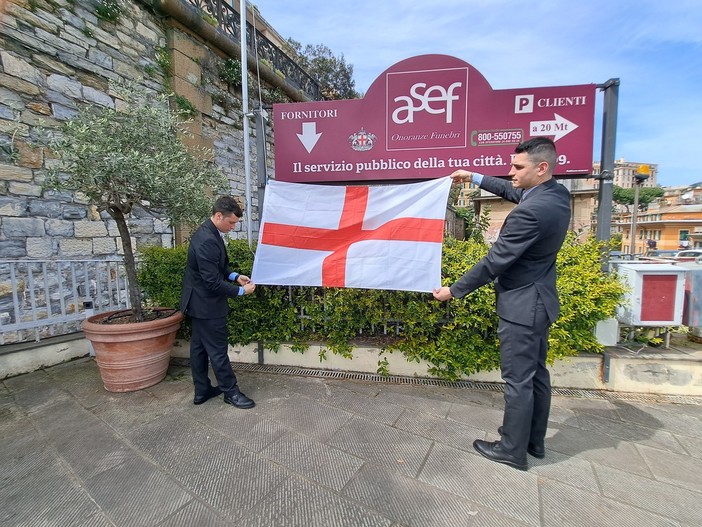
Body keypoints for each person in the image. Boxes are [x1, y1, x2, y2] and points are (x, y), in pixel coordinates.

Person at [433, 137, 570, 470]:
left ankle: (511, 450)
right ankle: (532, 440)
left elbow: (495, 262)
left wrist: (454, 290)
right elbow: (514, 191)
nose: (511, 173)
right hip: (539, 301)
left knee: (518, 380)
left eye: (517, 167)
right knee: (537, 375)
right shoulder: (556, 194)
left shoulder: (531, 213)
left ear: (542, 168)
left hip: (522, 306)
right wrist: (474, 177)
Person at [180, 196, 257, 409]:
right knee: (217, 351)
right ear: (218, 215)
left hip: (199, 304)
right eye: (231, 223)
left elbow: (218, 267)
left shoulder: (210, 232)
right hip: (207, 306)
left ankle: (202, 390)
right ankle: (230, 392)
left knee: (199, 349)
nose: (233, 227)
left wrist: (234, 276)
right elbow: (212, 281)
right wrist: (241, 291)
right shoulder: (207, 239)